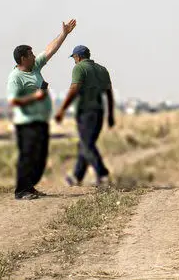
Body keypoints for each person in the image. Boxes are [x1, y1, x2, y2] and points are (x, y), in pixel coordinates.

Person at [8, 19, 77, 200]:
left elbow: (49, 50)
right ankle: (21, 191)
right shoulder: (15, 77)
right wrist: (35, 96)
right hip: (26, 123)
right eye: (31, 54)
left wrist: (64, 34)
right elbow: (14, 101)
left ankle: (30, 187)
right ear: (23, 58)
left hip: (41, 121)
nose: (34, 56)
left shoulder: (35, 66)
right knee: (27, 156)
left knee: (39, 157)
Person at [54, 45, 115, 187]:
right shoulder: (102, 69)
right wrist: (110, 115)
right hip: (99, 112)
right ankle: (77, 177)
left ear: (78, 57)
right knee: (85, 143)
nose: (74, 61)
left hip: (86, 113)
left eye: (74, 58)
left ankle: (103, 174)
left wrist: (61, 110)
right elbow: (109, 94)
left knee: (86, 145)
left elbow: (73, 90)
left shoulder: (79, 68)